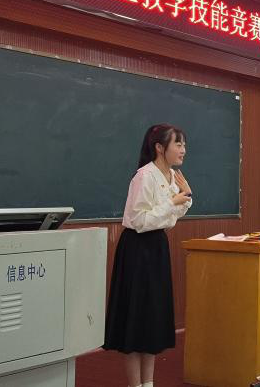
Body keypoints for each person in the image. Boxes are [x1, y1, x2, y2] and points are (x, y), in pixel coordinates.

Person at [103, 124, 193, 387]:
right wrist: (173, 202)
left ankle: (148, 383)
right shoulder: (144, 176)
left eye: (184, 145)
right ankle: (135, 385)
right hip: (137, 249)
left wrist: (186, 196)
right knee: (135, 319)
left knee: (151, 317)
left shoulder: (171, 175)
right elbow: (139, 220)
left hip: (156, 248)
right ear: (160, 147)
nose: (183, 150)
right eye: (178, 144)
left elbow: (172, 215)